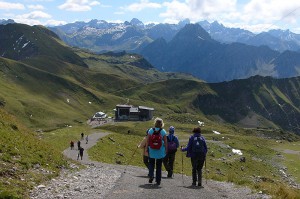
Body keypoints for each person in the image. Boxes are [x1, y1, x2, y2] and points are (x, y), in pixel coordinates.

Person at [145, 117, 168, 186]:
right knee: (159, 165)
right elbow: (166, 141)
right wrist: (166, 149)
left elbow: (148, 140)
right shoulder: (163, 131)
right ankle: (158, 180)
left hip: (152, 150)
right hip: (160, 150)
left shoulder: (151, 130)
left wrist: (146, 148)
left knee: (151, 163)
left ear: (155, 123)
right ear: (161, 124)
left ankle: (151, 175)